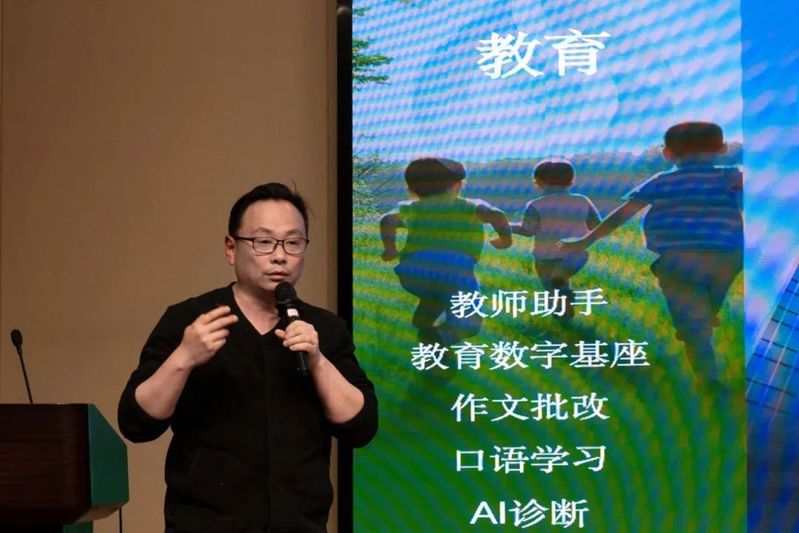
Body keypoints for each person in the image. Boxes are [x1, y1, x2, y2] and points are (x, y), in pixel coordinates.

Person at [118, 183, 378, 532]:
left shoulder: (325, 329)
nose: (280, 256)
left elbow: (362, 427)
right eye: (264, 241)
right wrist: (184, 357)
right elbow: (135, 423)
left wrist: (318, 360)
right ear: (231, 248)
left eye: (293, 242)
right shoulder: (189, 320)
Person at [561, 121, 743, 384]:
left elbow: (622, 215)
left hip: (676, 259)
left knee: (693, 325)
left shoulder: (661, 181)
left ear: (667, 154)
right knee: (703, 313)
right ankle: (701, 329)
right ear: (723, 149)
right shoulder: (732, 178)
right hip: (726, 258)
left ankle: (708, 379)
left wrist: (585, 241)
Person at [379, 157, 512, 345]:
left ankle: (426, 317)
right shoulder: (470, 206)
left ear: (412, 189)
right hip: (455, 270)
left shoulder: (411, 208)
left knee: (437, 292)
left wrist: (390, 249)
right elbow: (496, 215)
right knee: (469, 320)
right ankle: (440, 337)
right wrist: (505, 239)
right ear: (458, 185)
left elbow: (388, 220)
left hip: (412, 271)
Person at [511, 159, 601, 319]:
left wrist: (508, 226)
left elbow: (528, 230)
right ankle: (564, 300)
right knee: (560, 281)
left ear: (538, 182)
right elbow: (596, 225)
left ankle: (562, 315)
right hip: (575, 253)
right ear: (571, 181)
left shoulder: (535, 205)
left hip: (545, 257)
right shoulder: (582, 201)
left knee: (551, 290)